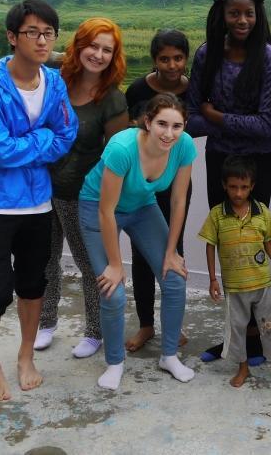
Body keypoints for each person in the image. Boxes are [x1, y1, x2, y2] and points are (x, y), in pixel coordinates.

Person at [0, 0, 78, 401]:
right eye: (32, 32)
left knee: (34, 284)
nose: (42, 40)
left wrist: (26, 143)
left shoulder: (55, 82)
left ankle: (26, 355)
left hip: (39, 202)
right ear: (12, 37)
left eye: (48, 32)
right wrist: (42, 140)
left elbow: (67, 136)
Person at [78, 94, 196, 390]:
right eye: (162, 124)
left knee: (174, 279)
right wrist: (116, 265)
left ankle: (169, 356)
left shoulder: (185, 146)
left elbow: (180, 201)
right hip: (98, 208)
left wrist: (171, 252)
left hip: (142, 206)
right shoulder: (122, 147)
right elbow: (106, 210)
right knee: (112, 292)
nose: (169, 133)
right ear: (147, 122)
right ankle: (114, 363)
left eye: (177, 125)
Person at [35, 17, 128, 359]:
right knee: (44, 260)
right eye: (93, 45)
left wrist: (105, 205)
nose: (98, 55)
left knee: (90, 265)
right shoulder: (57, 79)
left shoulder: (112, 100)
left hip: (83, 195)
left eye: (107, 49)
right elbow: (28, 56)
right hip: (43, 186)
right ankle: (45, 323)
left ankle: (94, 331)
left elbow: (116, 158)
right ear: (79, 46)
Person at [123, 29, 192, 352]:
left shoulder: (193, 90)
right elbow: (129, 132)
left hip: (176, 181)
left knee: (172, 250)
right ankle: (146, 325)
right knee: (141, 253)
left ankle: (172, 327)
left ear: (185, 59)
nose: (171, 64)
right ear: (155, 61)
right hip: (141, 182)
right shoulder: (138, 89)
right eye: (164, 58)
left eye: (178, 58)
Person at [201, 156, 271, 389]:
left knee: (269, 328)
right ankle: (242, 368)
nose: (238, 193)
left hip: (262, 285)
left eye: (244, 187)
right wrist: (213, 278)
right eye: (233, 187)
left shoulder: (261, 212)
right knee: (237, 330)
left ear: (252, 186)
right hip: (234, 288)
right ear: (224, 185)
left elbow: (269, 242)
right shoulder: (217, 215)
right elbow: (210, 245)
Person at [187, 0, 271, 209]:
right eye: (234, 13)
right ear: (223, 15)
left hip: (259, 159)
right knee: (221, 229)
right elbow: (190, 120)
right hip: (219, 157)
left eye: (249, 14)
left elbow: (265, 125)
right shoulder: (207, 54)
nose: (242, 20)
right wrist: (242, 125)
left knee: (254, 230)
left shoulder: (269, 57)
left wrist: (215, 116)